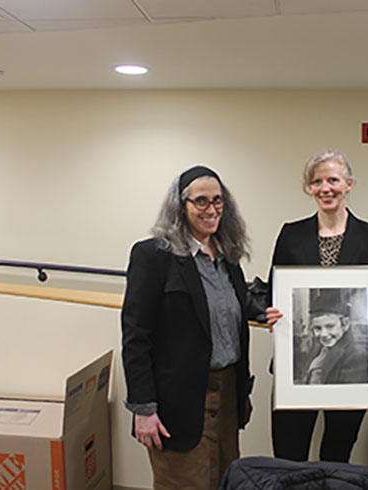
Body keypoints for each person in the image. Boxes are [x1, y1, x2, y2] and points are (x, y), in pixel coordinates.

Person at [121, 166, 254, 490]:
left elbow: (228, 308)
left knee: (224, 480)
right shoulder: (153, 256)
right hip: (177, 401)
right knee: (183, 483)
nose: (212, 209)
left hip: (226, 398)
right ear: (181, 207)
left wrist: (265, 312)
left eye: (218, 201)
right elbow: (136, 336)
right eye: (201, 201)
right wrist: (143, 408)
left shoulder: (227, 256)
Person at [269, 150, 368, 463]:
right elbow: (274, 293)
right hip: (294, 371)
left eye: (333, 180)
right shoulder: (290, 235)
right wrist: (269, 310)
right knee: (288, 457)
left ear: (348, 184)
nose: (326, 188)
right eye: (317, 181)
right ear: (309, 187)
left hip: (353, 369)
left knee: (337, 457)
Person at [302, 288, 368, 385]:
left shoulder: (356, 355)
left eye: (330, 326)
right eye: (317, 328)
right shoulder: (319, 349)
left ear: (345, 324)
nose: (323, 334)